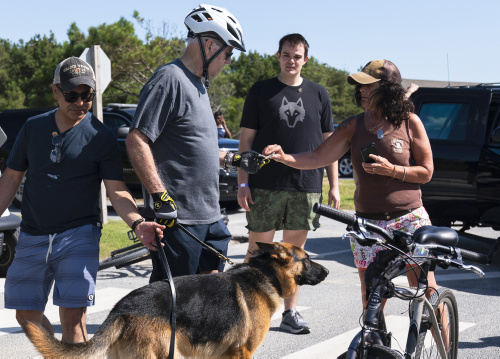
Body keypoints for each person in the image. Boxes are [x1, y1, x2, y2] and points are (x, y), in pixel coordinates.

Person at [0, 56, 164, 344]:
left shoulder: (100, 136)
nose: (80, 101)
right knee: (25, 316)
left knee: (73, 320)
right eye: (72, 94)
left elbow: (117, 190)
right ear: (55, 91)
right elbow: (11, 179)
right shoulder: (32, 128)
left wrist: (138, 223)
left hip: (79, 235)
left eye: (86, 94)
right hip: (33, 234)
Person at [263, 59, 437, 311]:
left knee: (426, 292)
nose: (361, 90)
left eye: (368, 86)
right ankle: (376, 347)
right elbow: (316, 157)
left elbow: (426, 172)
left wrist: (393, 170)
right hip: (367, 225)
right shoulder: (354, 125)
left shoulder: (409, 122)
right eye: (360, 86)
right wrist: (284, 157)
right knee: (371, 301)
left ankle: (444, 346)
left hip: (409, 219)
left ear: (388, 88)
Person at [126, 4, 262, 281]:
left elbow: (193, 144)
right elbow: (136, 140)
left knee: (209, 302)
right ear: (210, 45)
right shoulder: (169, 79)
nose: (228, 61)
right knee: (171, 306)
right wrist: (159, 196)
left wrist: (231, 159)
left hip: (210, 216)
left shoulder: (199, 84)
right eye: (228, 53)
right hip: (180, 219)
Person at [237, 33, 340, 335]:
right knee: (258, 251)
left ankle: (290, 313)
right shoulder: (261, 91)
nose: (291, 60)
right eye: (286, 55)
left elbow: (328, 144)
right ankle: (245, 310)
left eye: (297, 56)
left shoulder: (319, 93)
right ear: (278, 56)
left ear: (306, 59)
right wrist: (243, 184)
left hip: (306, 185)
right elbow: (246, 141)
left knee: (295, 254)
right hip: (265, 184)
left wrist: (334, 185)